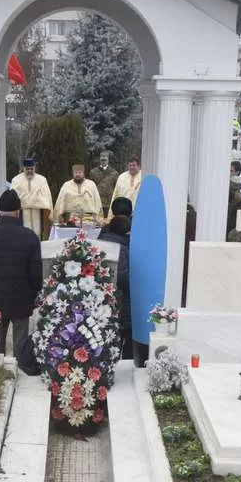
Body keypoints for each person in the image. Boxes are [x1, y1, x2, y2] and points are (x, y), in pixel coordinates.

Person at [0, 190, 43, 356]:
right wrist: (35, 294)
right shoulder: (30, 237)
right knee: (21, 346)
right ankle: (19, 366)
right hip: (22, 299)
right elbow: (36, 272)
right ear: (18, 212)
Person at [97, 215, 133, 361]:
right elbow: (123, 278)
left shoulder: (97, 243)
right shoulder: (122, 249)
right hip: (119, 302)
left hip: (97, 302)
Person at [11, 158, 54, 240]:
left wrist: (27, 200)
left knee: (37, 235)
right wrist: (34, 200)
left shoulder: (42, 180)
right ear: (23, 168)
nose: (30, 171)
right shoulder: (16, 180)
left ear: (34, 168)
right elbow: (14, 197)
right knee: (23, 236)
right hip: (22, 213)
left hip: (38, 212)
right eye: (27, 169)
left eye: (31, 168)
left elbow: (47, 197)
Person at [89, 152, 119, 217]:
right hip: (96, 202)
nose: (103, 161)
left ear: (108, 160)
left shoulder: (114, 173)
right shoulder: (93, 172)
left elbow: (116, 189)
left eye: (105, 160)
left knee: (108, 220)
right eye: (102, 160)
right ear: (100, 160)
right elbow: (90, 188)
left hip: (109, 203)